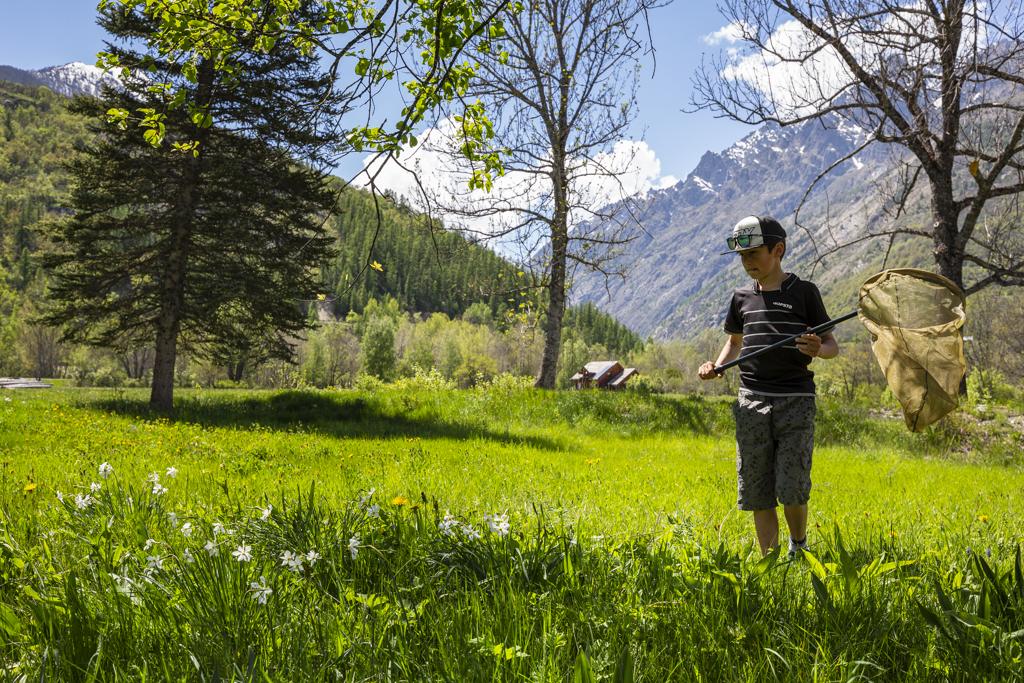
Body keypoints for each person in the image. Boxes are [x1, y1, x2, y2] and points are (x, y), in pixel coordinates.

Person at [698, 216, 839, 558]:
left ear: (778, 250)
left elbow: (832, 345)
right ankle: (770, 561)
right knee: (758, 487)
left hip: (795, 400)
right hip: (752, 400)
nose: (747, 263)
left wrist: (817, 349)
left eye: (754, 254)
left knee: (792, 486)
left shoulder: (805, 293)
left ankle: (799, 545)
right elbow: (734, 343)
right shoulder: (741, 298)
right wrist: (715, 366)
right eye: (742, 257)